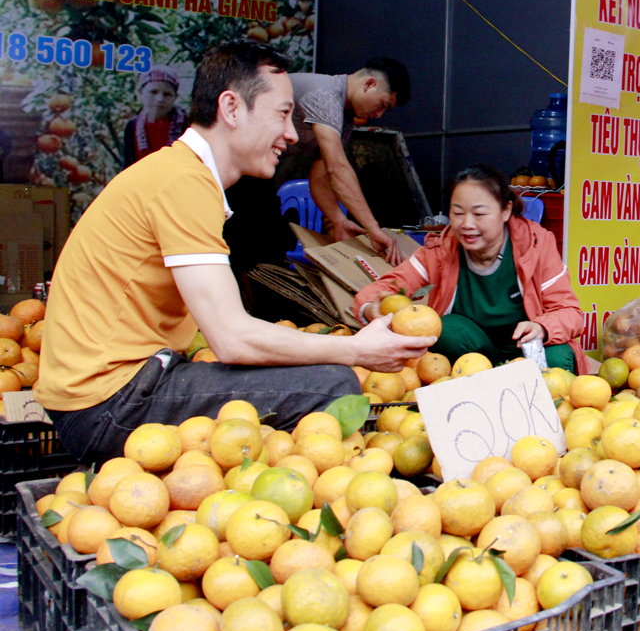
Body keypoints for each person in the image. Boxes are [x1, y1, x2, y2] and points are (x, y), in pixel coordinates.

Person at [34, 42, 436, 464]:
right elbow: (231, 338)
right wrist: (357, 350)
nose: (292, 134)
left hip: (114, 388)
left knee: (304, 374)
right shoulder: (182, 184)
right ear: (231, 108)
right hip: (110, 404)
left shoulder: (181, 174)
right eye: (282, 114)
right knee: (333, 384)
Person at [353, 164, 586, 372]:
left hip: (524, 352)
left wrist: (543, 327)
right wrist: (369, 309)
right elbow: (388, 286)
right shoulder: (442, 250)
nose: (467, 225)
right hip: (472, 358)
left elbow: (570, 313)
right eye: (457, 213)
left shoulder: (535, 246)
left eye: (479, 214)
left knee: (558, 357)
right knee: (446, 330)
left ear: (505, 211)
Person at [277, 57, 411, 264]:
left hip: (251, 168)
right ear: (369, 84)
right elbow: (336, 168)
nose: (379, 114)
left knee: (270, 241)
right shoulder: (325, 95)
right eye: (383, 105)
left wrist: (338, 220)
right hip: (224, 160)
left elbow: (321, 176)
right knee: (260, 243)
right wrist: (373, 229)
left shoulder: (344, 117)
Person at [122, 65, 189, 167]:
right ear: (141, 93)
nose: (160, 99)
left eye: (167, 94)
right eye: (153, 92)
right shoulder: (132, 127)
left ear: (175, 97)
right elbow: (128, 166)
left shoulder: (186, 125)